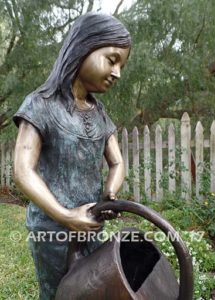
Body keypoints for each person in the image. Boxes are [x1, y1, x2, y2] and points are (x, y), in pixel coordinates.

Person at [13, 12, 131, 300]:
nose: (117, 72)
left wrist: (109, 195)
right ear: (83, 48)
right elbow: (22, 170)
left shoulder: (100, 113)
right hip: (52, 231)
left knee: (91, 290)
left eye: (122, 65)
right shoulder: (41, 104)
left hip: (91, 225)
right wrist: (65, 216)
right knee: (58, 292)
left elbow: (116, 162)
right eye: (112, 59)